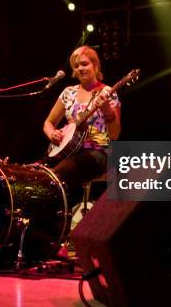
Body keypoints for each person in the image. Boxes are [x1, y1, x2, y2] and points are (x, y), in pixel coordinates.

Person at [43, 45, 121, 210]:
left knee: (56, 177)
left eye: (84, 64)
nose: (80, 68)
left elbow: (115, 134)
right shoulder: (68, 93)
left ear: (95, 66)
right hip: (69, 152)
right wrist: (52, 134)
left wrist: (106, 110)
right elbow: (48, 123)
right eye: (76, 66)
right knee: (37, 175)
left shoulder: (107, 92)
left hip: (99, 153)